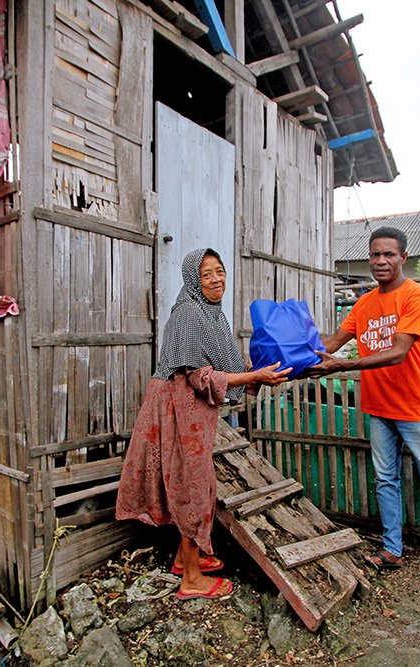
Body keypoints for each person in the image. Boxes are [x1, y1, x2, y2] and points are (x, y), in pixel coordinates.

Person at [307, 227, 420, 612]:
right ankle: (392, 549)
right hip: (379, 407)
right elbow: (331, 344)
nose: (380, 261)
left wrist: (345, 366)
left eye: (388, 255)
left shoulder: (416, 296)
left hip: (416, 408)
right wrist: (288, 353)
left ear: (403, 257)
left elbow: (398, 351)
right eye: (375, 255)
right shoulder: (364, 303)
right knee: (386, 479)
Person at [115, 248, 290, 600]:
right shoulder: (189, 314)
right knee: (191, 486)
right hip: (177, 413)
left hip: (190, 413)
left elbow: (224, 367)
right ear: (193, 280)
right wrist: (254, 377)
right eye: (206, 274)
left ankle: (185, 559)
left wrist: (260, 371)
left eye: (219, 271)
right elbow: (200, 377)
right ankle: (191, 580)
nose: (215, 279)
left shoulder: (212, 314)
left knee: (196, 482)